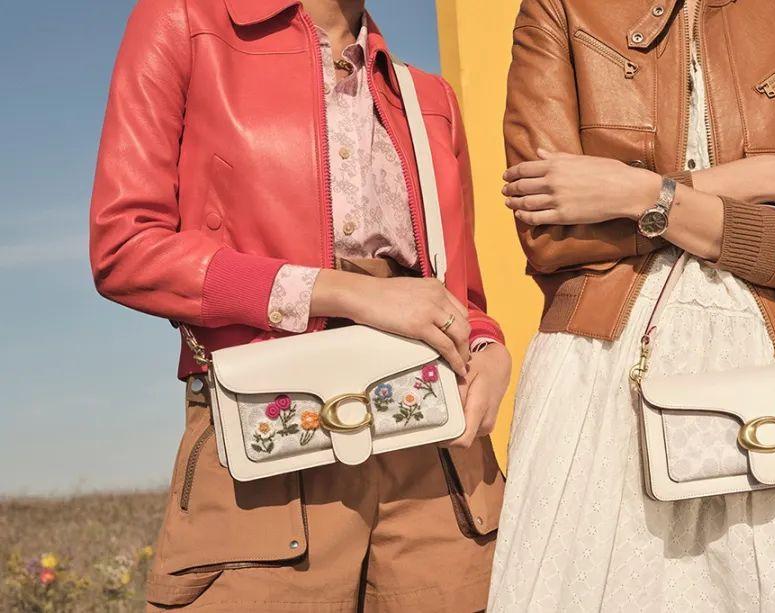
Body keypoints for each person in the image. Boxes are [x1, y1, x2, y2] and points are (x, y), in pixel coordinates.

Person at [89, 0, 511, 610]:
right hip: (267, 446)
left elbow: (461, 296)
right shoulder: (185, 23)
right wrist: (345, 292)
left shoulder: (428, 99)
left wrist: (487, 346)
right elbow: (126, 246)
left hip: (437, 458)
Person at [490, 0, 775, 610]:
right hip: (599, 375)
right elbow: (553, 229)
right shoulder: (560, 8)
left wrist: (633, 193)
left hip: (763, 388)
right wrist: (768, 179)